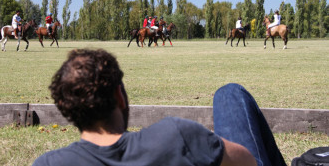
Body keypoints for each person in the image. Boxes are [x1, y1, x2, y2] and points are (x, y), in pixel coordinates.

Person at [33, 49, 287, 166]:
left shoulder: (47, 163)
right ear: (120, 96)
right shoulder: (176, 135)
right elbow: (247, 162)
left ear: (67, 110)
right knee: (230, 93)